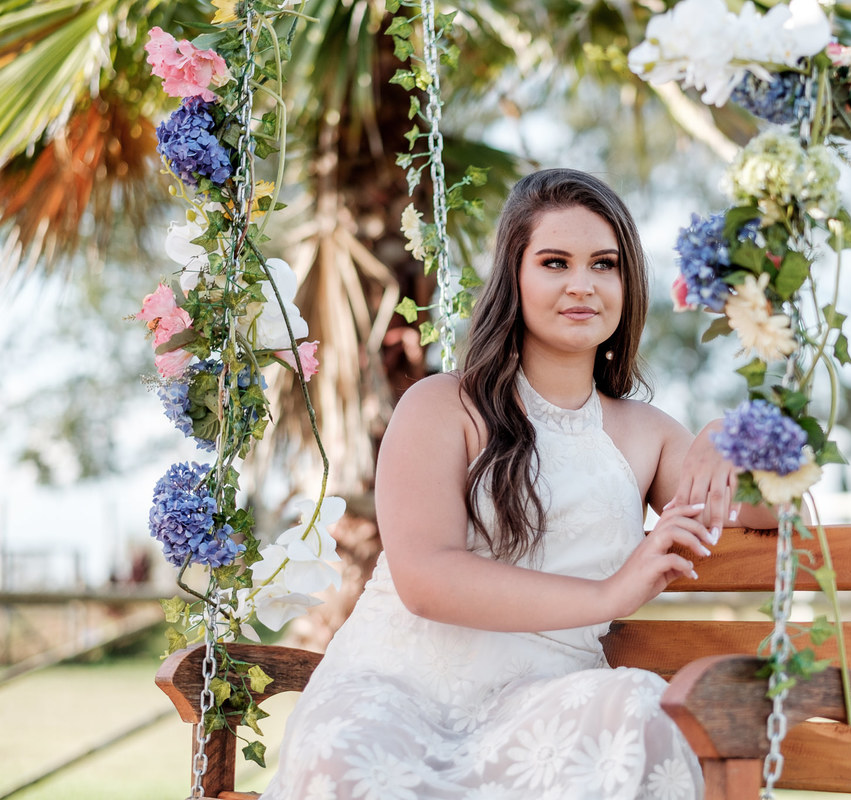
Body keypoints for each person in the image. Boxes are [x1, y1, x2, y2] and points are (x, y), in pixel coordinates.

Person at [262, 168, 772, 799]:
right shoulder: (442, 405)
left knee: (638, 706)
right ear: (515, 276)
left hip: (543, 704)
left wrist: (730, 437)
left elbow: (766, 516)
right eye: (555, 263)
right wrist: (610, 594)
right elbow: (425, 579)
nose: (582, 285)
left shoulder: (649, 435)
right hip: (398, 692)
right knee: (351, 762)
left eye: (604, 264)